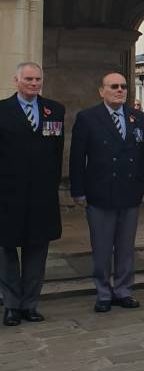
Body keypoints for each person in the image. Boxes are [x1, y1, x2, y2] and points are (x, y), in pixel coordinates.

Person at [69, 72, 144, 312]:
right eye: (113, 86)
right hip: (100, 193)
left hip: (129, 193)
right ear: (101, 91)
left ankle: (123, 290)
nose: (119, 90)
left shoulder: (138, 117)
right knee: (102, 248)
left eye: (123, 86)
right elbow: (76, 158)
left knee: (126, 248)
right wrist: (78, 190)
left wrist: (143, 186)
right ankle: (103, 292)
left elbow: (143, 155)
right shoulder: (88, 118)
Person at [0, 62, 64, 326]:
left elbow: (57, 152)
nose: (34, 83)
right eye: (28, 79)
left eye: (38, 79)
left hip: (41, 196)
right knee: (6, 252)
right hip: (7, 195)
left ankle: (30, 304)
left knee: (37, 252)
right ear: (16, 80)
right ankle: (11, 305)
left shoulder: (54, 110)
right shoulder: (2, 110)